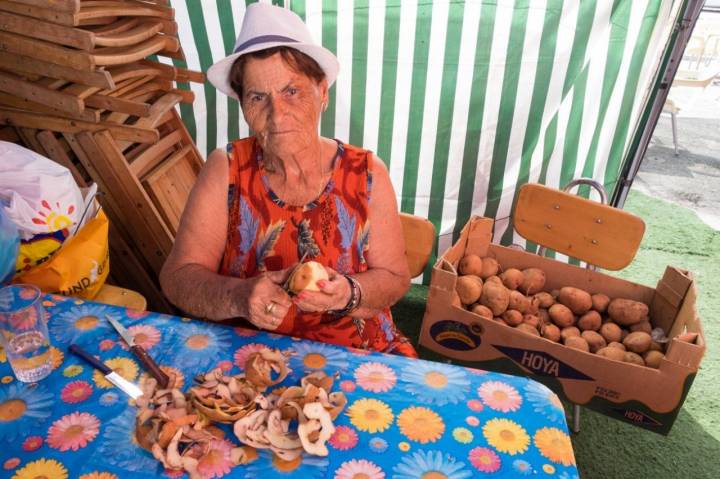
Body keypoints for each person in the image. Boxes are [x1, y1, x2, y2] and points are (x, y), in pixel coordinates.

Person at [160, 3, 416, 357]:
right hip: (248, 353)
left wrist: (348, 294)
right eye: (258, 96)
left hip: (355, 356)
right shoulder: (226, 169)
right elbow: (178, 277)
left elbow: (394, 277)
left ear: (322, 92)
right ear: (243, 104)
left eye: (291, 91)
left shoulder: (367, 173)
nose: (277, 114)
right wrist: (237, 296)